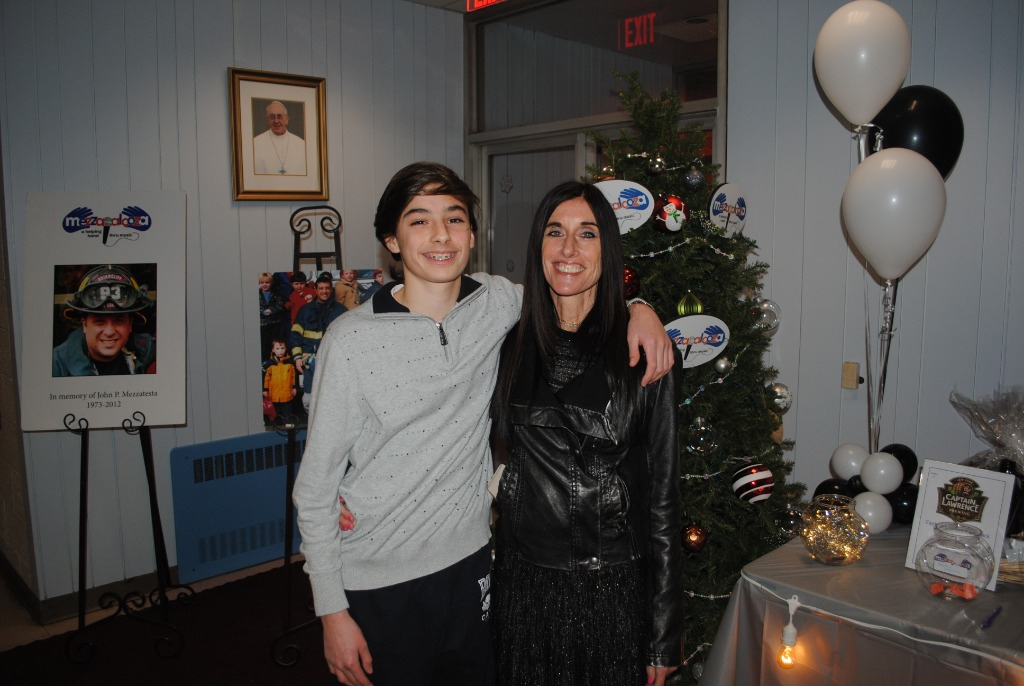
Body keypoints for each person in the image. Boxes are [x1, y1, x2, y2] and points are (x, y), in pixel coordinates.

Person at [292, 162, 674, 686]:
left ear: (472, 235)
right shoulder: (350, 341)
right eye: (419, 220)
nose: (441, 235)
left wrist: (641, 308)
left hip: (473, 568)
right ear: (392, 241)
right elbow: (314, 489)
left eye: (454, 219)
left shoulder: (498, 304)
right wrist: (331, 611)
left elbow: (574, 280)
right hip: (379, 577)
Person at [489, 181, 684, 686]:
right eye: (555, 232)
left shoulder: (644, 354)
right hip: (523, 588)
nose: (569, 249)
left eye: (587, 234)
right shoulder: (509, 346)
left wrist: (662, 635)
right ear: (538, 246)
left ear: (607, 249)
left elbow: (663, 503)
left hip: (610, 594)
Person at [52, 264, 157, 376]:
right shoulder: (56, 366)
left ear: (130, 324)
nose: (109, 332)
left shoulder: (152, 353)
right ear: (84, 324)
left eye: (118, 321)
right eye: (99, 321)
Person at [290, 271, 347, 407]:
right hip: (309, 358)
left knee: (331, 396)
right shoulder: (305, 310)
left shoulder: (341, 310)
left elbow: (348, 336)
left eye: (327, 288)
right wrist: (297, 358)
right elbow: (296, 334)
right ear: (315, 290)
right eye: (321, 288)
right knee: (309, 399)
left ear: (331, 290)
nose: (324, 291)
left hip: (332, 359)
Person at [253, 100, 307, 175]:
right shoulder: (255, 143)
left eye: (279, 116)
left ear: (286, 119)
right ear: (267, 120)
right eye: (272, 117)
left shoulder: (301, 144)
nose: (276, 121)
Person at [263, 338, 298, 422]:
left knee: (287, 415)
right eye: (277, 348)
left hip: (287, 394)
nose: (280, 351)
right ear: (273, 350)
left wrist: (294, 387)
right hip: (273, 395)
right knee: (275, 416)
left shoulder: (290, 363)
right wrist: (265, 390)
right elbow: (266, 379)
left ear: (286, 349)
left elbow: (293, 377)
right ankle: (276, 424)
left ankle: (287, 423)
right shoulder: (269, 364)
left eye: (282, 348)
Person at [258, 272, 288, 360]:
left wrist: (272, 310)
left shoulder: (276, 293)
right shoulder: (257, 294)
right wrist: (263, 311)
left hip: (275, 323)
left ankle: (276, 359)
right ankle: (265, 361)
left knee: (276, 342)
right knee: (264, 343)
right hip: (262, 324)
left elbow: (280, 304)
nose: (265, 285)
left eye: (267, 282)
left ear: (271, 283)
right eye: (262, 282)